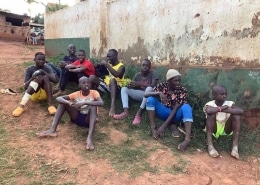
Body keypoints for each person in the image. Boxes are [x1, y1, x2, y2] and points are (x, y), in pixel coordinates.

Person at [36, 76, 104, 150]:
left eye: (88, 82)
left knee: (93, 106)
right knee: (62, 103)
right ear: (79, 86)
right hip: (77, 117)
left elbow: (101, 103)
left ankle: (89, 138)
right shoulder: (76, 94)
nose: (86, 84)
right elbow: (58, 98)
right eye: (83, 83)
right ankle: (52, 130)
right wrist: (70, 103)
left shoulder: (94, 92)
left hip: (89, 120)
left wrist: (84, 102)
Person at [144, 69, 193, 151]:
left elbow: (176, 108)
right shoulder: (162, 86)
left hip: (176, 114)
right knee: (150, 99)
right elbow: (145, 94)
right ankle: (153, 128)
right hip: (164, 112)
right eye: (175, 81)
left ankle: (187, 139)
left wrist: (163, 126)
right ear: (169, 81)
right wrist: (159, 93)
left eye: (179, 80)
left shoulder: (182, 90)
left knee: (186, 107)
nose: (178, 83)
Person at [12, 52, 58, 117]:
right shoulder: (29, 69)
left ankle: (50, 105)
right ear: (34, 60)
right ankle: (21, 106)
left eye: (43, 59)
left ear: (45, 60)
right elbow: (25, 87)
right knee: (37, 79)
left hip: (45, 94)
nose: (41, 61)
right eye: (39, 59)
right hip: (34, 95)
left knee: (45, 77)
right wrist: (32, 78)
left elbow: (55, 80)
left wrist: (44, 72)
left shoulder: (47, 68)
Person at [113, 59, 158, 125]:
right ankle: (125, 112)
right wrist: (129, 85)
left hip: (150, 96)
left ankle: (139, 113)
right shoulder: (137, 75)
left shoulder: (153, 73)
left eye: (147, 66)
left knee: (149, 88)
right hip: (141, 95)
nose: (145, 67)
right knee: (124, 89)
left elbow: (153, 85)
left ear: (150, 67)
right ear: (140, 66)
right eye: (143, 65)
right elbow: (133, 84)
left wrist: (138, 84)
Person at [204, 85, 243, 159]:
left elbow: (240, 111)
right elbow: (209, 110)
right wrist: (223, 108)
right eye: (222, 94)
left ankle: (235, 147)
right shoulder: (210, 104)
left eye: (225, 94)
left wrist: (224, 109)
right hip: (214, 128)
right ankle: (210, 146)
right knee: (211, 115)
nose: (224, 96)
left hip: (226, 128)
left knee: (236, 116)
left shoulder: (229, 103)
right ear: (214, 95)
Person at [89, 49, 130, 117]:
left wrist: (106, 64)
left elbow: (117, 74)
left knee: (112, 80)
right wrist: (97, 67)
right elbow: (99, 74)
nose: (108, 58)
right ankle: (88, 99)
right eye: (107, 57)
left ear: (115, 56)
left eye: (109, 57)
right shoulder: (109, 64)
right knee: (91, 77)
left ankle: (113, 105)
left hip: (116, 88)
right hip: (106, 86)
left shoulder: (121, 66)